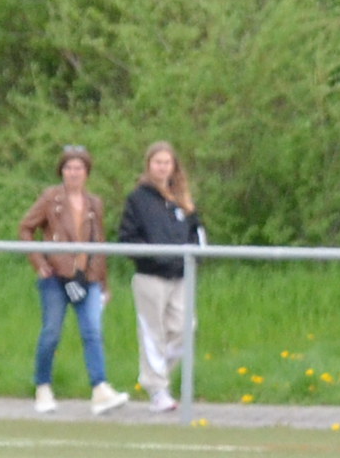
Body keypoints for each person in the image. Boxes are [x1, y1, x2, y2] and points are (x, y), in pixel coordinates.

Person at [20, 144, 123, 415]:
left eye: (78, 168)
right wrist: (39, 263)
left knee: (92, 332)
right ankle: (43, 386)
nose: (73, 173)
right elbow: (25, 228)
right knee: (51, 332)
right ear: (61, 171)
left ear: (87, 172)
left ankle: (99, 388)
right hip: (56, 278)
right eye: (68, 167)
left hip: (87, 277)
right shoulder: (50, 198)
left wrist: (104, 283)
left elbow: (100, 244)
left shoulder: (94, 203)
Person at [114, 139, 205, 413]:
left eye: (167, 162)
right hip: (150, 277)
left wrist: (193, 258)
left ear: (174, 166)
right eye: (157, 162)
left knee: (184, 328)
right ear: (149, 165)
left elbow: (197, 234)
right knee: (153, 333)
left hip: (181, 276)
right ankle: (157, 390)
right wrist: (154, 257)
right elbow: (127, 238)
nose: (162, 167)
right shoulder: (138, 199)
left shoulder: (183, 199)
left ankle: (157, 376)